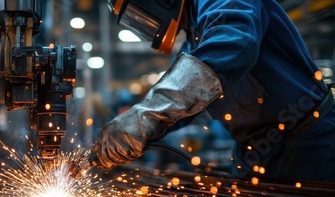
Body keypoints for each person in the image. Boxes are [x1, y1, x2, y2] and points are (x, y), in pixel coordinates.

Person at [94, 0, 335, 182]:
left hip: (309, 144)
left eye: (138, 13)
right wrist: (135, 134)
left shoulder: (220, 10)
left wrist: (146, 114)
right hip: (257, 155)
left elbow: (233, 43)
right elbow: (183, 103)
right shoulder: (196, 40)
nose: (142, 22)